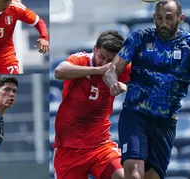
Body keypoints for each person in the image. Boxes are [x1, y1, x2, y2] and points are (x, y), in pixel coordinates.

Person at [103, 0, 190, 179]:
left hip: (165, 122)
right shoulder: (139, 38)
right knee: (134, 174)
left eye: (169, 18)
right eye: (159, 18)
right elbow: (112, 70)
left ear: (180, 18)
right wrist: (113, 83)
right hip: (135, 115)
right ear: (154, 17)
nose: (163, 23)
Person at [53, 30, 131, 179]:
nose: (104, 63)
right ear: (95, 49)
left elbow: (146, 81)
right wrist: (98, 70)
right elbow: (59, 71)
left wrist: (127, 87)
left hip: (100, 146)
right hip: (68, 148)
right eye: (101, 56)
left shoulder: (120, 68)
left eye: (110, 60)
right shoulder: (81, 60)